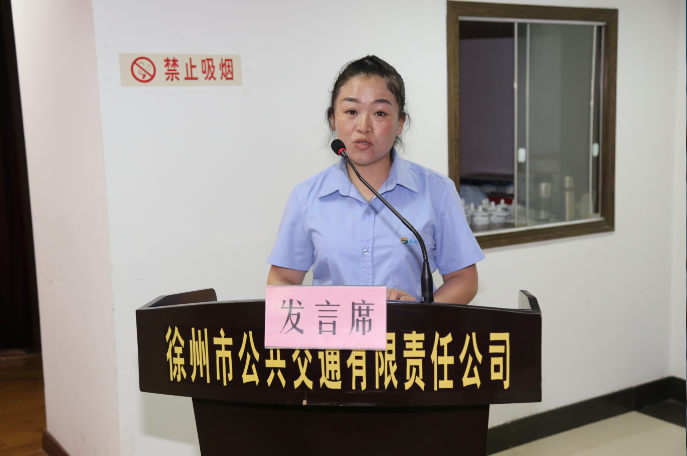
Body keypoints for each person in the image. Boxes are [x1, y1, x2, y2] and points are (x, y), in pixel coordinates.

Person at [267, 55, 484, 304]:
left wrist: (422, 313)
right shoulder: (306, 196)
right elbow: (282, 279)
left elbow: (463, 279)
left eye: (380, 113)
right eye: (351, 111)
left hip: (408, 329)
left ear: (400, 123)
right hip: (333, 329)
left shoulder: (437, 191)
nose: (364, 126)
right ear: (333, 119)